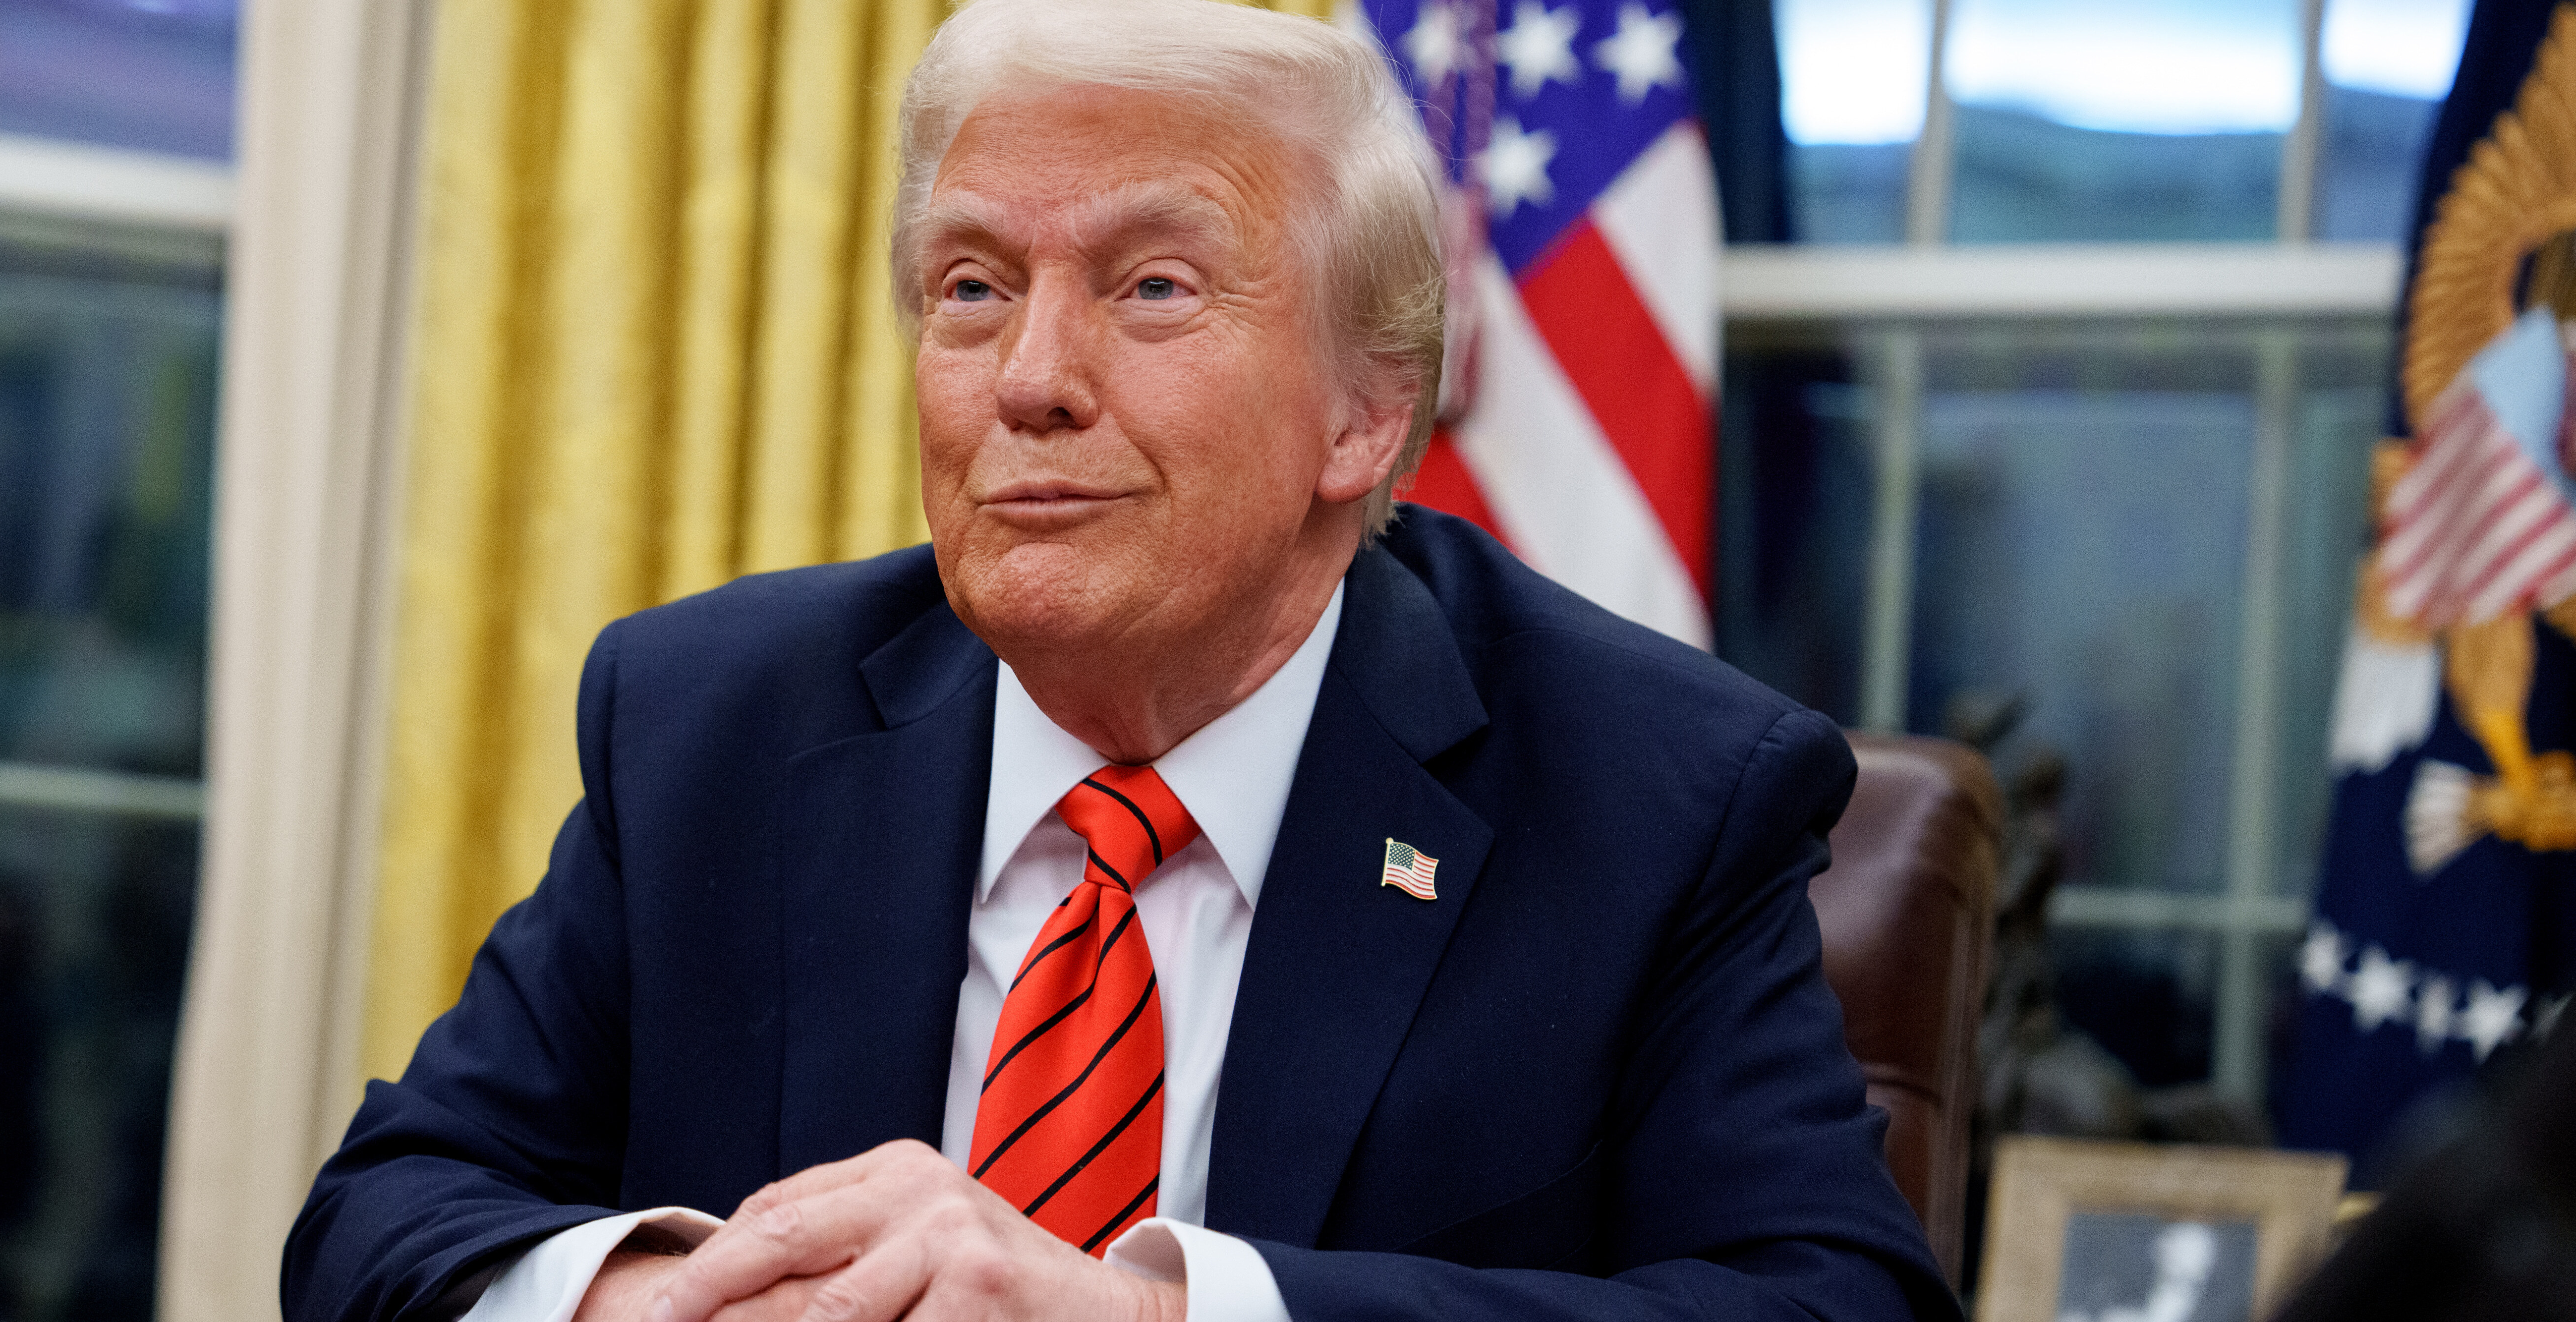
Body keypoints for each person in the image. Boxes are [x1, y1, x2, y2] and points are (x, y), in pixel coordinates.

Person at [286, 1, 1955, 1319]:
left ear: (1367, 413)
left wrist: (1145, 1315)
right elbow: (382, 1215)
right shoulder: (715, 722)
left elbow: (1829, 1300)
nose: (1030, 378)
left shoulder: (1653, 795)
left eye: (1151, 287)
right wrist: (661, 1300)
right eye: (970, 286)